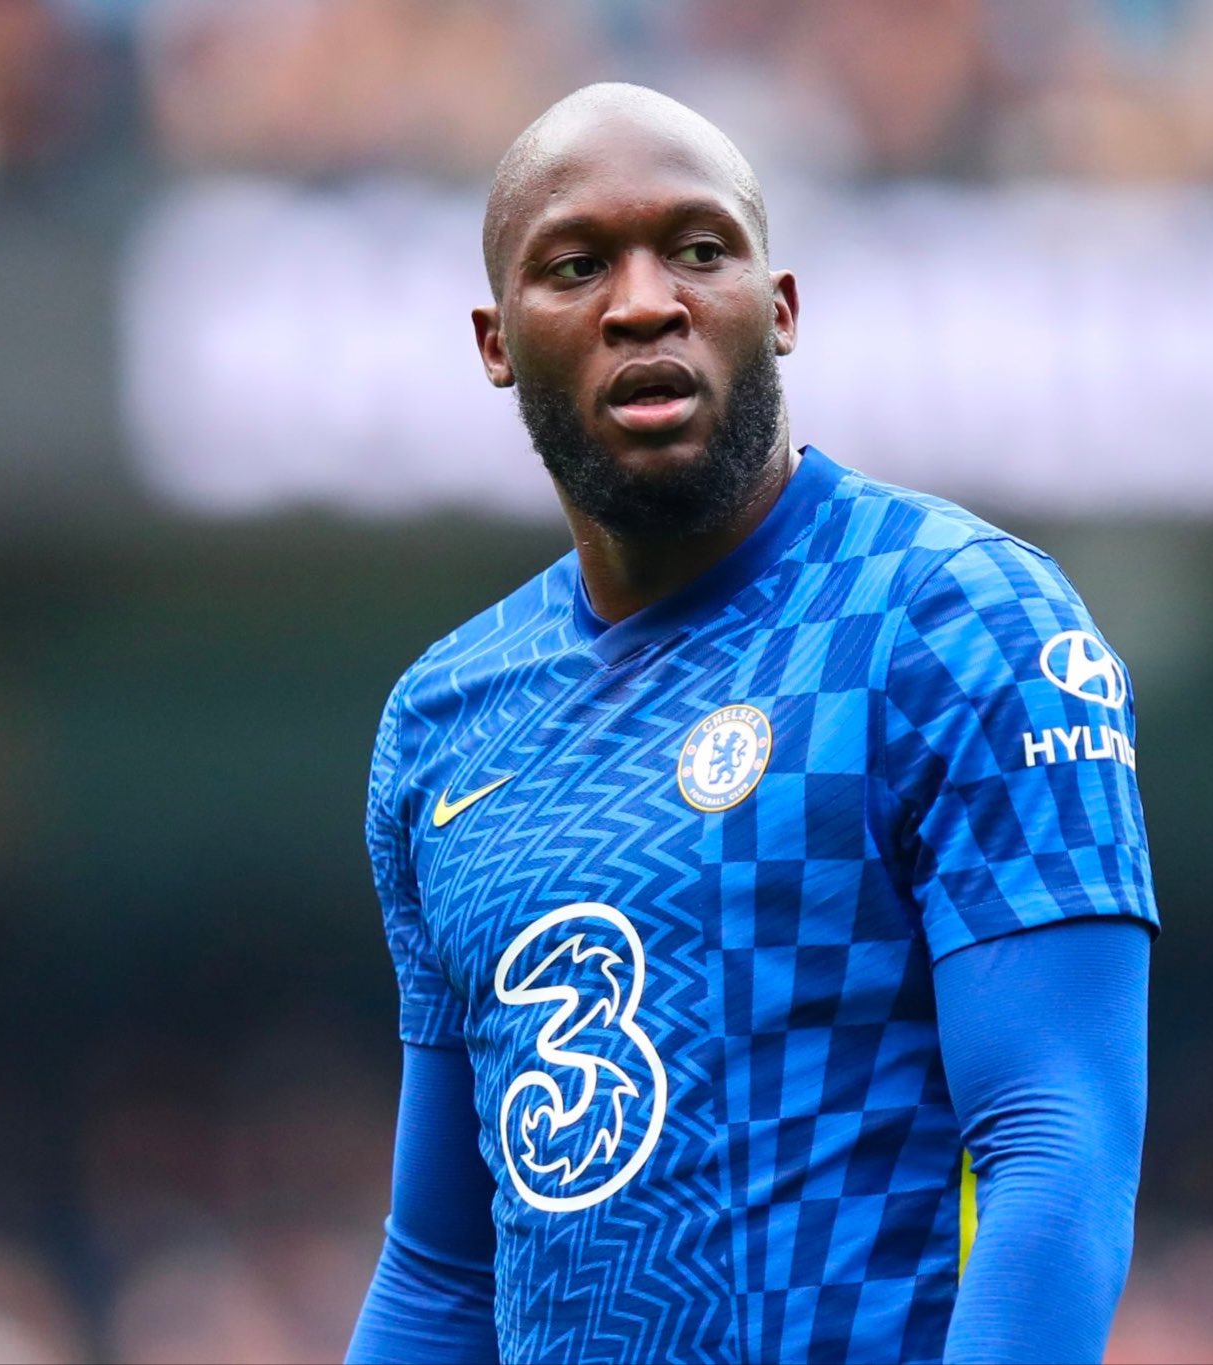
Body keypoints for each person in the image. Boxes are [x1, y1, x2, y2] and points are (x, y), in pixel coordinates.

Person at [346, 84, 1157, 1365]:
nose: (643, 302)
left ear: (776, 309)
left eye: (696, 249)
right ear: (496, 341)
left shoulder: (948, 617)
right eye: (575, 266)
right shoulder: (444, 722)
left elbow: (1056, 1147)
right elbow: (441, 1268)